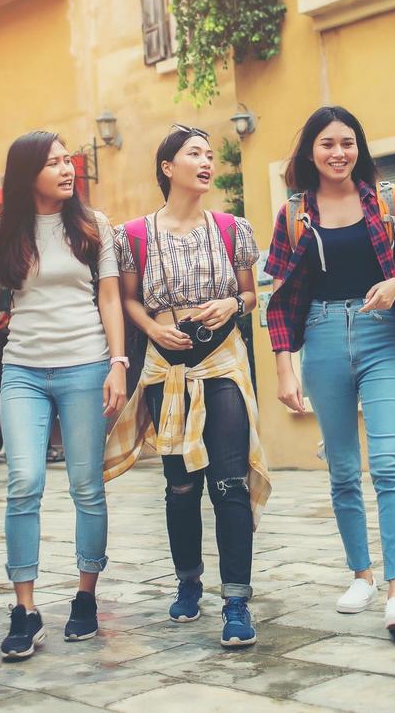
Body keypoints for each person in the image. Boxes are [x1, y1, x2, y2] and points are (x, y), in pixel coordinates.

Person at [264, 106, 395, 640]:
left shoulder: (385, 199)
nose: (338, 153)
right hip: (320, 341)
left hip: (381, 334)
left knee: (388, 465)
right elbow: (278, 300)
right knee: (342, 470)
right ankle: (360, 574)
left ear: (358, 147)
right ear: (310, 152)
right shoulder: (294, 215)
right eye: (327, 144)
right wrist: (285, 369)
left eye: (347, 143)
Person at [0, 131, 127, 660]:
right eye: (52, 163)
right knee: (23, 482)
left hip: (86, 366)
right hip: (24, 371)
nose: (66, 169)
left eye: (67, 161)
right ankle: (24, 609)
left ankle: (84, 597)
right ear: (26, 173)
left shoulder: (93, 226)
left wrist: (117, 364)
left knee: (86, 487)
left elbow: (110, 300)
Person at [104, 125, 270, 649]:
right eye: (193, 153)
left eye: (207, 154)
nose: (205, 162)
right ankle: (188, 581)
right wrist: (152, 328)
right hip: (164, 367)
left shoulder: (232, 228)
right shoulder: (133, 235)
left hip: (222, 361)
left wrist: (233, 304)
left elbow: (251, 294)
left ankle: (237, 601)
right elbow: (128, 299)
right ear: (167, 167)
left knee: (229, 482)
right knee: (180, 485)